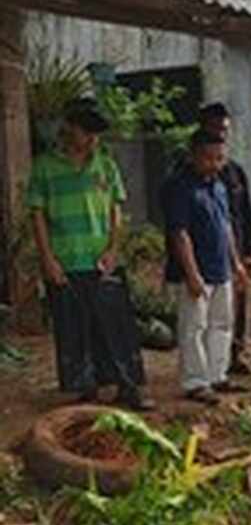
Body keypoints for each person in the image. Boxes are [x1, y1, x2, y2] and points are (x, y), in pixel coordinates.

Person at [26, 98, 153, 411]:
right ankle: (87, 388)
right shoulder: (44, 167)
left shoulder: (106, 164)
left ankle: (128, 386)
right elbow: (37, 216)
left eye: (96, 132)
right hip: (65, 260)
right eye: (88, 130)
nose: (93, 137)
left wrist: (113, 249)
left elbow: (116, 211)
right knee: (74, 327)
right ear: (70, 128)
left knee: (116, 326)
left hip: (102, 260)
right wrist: (48, 259)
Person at [162, 130, 250, 405]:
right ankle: (195, 382)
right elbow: (179, 233)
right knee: (193, 327)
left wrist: (236, 263)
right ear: (194, 156)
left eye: (220, 158)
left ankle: (217, 375)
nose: (215, 164)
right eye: (209, 158)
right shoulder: (180, 187)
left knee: (222, 324)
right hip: (196, 270)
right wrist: (192, 273)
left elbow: (226, 226)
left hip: (221, 267)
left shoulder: (219, 186)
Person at [197, 103, 251, 376]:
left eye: (224, 129)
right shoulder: (188, 174)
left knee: (237, 303)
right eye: (215, 128)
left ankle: (235, 353)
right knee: (204, 312)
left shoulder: (234, 172)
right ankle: (206, 365)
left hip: (235, 247)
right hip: (205, 251)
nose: (221, 133)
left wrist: (250, 251)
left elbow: (245, 213)